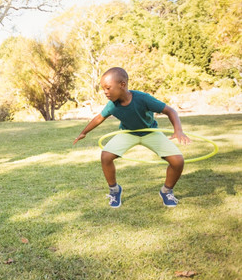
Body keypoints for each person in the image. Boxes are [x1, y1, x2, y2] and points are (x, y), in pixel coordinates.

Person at [73, 67, 190, 208]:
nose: (105, 92)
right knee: (106, 156)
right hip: (128, 133)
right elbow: (99, 118)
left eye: (108, 88)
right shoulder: (112, 105)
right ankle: (114, 190)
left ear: (122, 85)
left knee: (177, 161)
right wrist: (84, 132)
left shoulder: (143, 98)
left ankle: (166, 191)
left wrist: (178, 130)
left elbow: (170, 110)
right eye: (103, 89)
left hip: (150, 132)